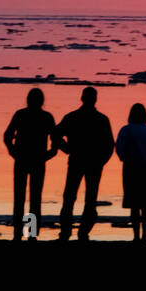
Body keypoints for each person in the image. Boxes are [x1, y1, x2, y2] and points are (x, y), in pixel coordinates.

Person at [53, 87, 114, 241]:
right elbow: (109, 145)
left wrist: (66, 148)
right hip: (92, 162)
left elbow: (55, 134)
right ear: (95, 99)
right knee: (88, 199)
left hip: (78, 161)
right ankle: (82, 231)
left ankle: (67, 232)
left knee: (70, 197)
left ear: (82, 98)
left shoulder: (73, 117)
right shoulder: (101, 119)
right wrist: (102, 161)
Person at [2, 88, 58, 240]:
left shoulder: (21, 115)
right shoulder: (46, 117)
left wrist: (12, 151)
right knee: (34, 198)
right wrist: (50, 153)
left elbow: (7, 136)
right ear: (42, 101)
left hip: (24, 159)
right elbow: (55, 139)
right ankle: (31, 233)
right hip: (36, 160)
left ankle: (18, 233)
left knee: (19, 197)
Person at [115, 103, 146, 240]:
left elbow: (119, 148)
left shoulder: (125, 130)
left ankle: (136, 235)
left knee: (134, 204)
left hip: (130, 168)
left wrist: (125, 159)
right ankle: (145, 236)